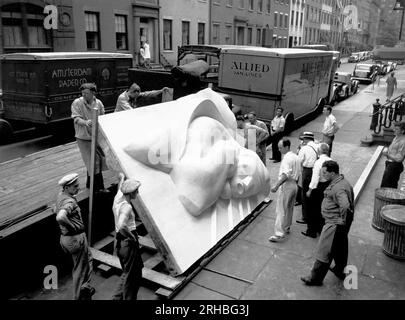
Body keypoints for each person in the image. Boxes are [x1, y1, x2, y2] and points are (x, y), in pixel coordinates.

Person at [301, 160, 354, 286]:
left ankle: (315, 278)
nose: (323, 174)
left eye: (325, 172)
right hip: (340, 225)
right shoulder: (343, 182)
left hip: (333, 224)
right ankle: (340, 270)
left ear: (333, 172)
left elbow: (345, 206)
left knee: (324, 250)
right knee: (340, 248)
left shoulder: (338, 188)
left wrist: (341, 220)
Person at [55, 173, 95, 300]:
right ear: (66, 188)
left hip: (66, 238)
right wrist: (72, 227)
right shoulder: (69, 201)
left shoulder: (61, 196)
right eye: (75, 186)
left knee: (88, 259)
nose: (78, 188)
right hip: (74, 238)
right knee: (80, 269)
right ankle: (78, 296)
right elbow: (60, 217)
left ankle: (85, 286)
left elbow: (54, 209)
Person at [112, 174, 144, 300]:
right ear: (131, 193)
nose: (138, 192)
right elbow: (121, 226)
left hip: (119, 243)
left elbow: (119, 188)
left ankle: (117, 298)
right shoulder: (127, 207)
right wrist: (132, 237)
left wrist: (121, 178)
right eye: (136, 191)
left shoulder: (117, 199)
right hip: (128, 243)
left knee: (129, 272)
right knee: (132, 278)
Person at [71, 83, 108, 192]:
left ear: (93, 93)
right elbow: (76, 119)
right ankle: (98, 188)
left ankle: (90, 184)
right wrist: (85, 122)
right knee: (92, 161)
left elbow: (103, 118)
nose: (84, 95)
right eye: (82, 93)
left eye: (86, 93)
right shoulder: (77, 103)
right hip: (83, 137)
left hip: (95, 136)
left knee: (97, 160)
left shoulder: (98, 103)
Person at [268, 139, 301, 242]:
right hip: (294, 185)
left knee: (281, 210)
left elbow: (285, 174)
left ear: (287, 147)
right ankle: (286, 227)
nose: (279, 150)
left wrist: (276, 186)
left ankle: (278, 233)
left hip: (287, 185)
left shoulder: (286, 159)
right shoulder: (296, 157)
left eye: (280, 147)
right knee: (290, 208)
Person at [305, 143, 332, 237]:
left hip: (318, 187)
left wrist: (310, 190)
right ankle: (321, 229)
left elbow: (315, 178)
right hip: (328, 186)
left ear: (319, 151)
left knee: (313, 209)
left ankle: (311, 231)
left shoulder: (318, 162)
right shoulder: (331, 161)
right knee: (323, 208)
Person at [296, 132, 319, 232]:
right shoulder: (318, 146)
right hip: (316, 170)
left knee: (304, 194)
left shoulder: (304, 148)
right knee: (314, 194)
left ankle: (305, 217)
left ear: (305, 139)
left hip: (307, 171)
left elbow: (299, 161)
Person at [380, 121, 405, 189]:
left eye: (397, 129)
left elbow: (399, 159)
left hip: (394, 166)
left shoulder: (403, 141)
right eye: (394, 128)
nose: (394, 130)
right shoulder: (396, 137)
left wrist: (387, 155)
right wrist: (388, 149)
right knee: (386, 185)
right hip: (390, 164)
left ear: (402, 131)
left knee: (388, 186)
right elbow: (393, 148)